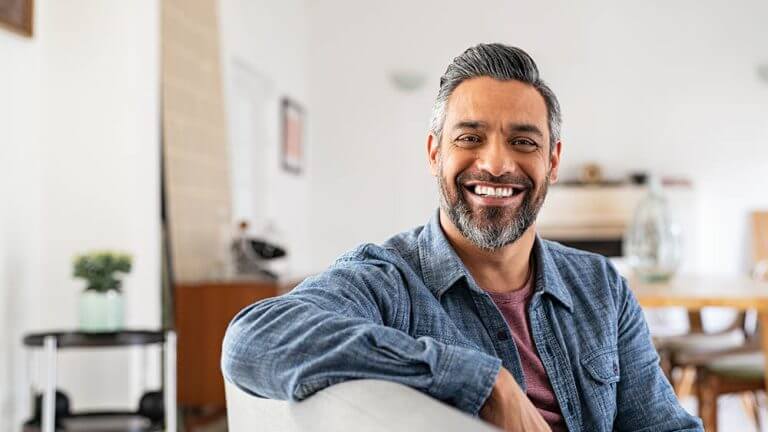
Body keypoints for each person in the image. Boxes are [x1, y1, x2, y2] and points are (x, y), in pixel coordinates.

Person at [221, 43, 703, 432]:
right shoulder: (388, 281)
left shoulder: (601, 285)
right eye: (470, 138)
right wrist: (484, 382)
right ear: (434, 154)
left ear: (552, 162)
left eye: (524, 141)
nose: (496, 163)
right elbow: (253, 339)